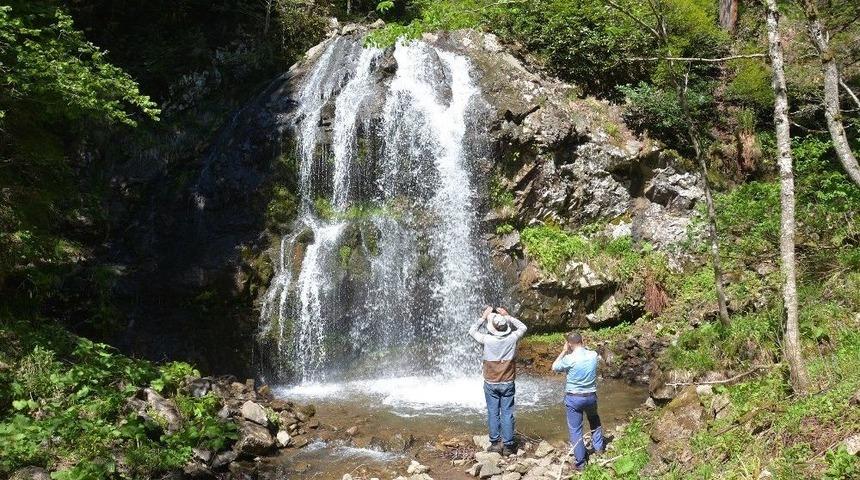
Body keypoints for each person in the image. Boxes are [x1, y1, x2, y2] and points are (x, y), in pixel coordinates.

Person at [468, 306, 527, 456]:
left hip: (491, 383)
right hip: (507, 382)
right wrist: (508, 316)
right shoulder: (512, 338)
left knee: (493, 412)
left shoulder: (487, 339)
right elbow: (523, 327)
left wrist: (483, 317)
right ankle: (508, 446)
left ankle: (495, 443)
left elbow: (472, 331)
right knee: (507, 413)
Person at [551, 331, 604, 471]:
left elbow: (554, 367)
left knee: (575, 429)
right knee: (594, 419)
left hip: (574, 397)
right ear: (583, 341)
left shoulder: (569, 358)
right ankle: (599, 449)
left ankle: (581, 463)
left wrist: (563, 351)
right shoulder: (593, 355)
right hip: (591, 396)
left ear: (569, 344)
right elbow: (588, 351)